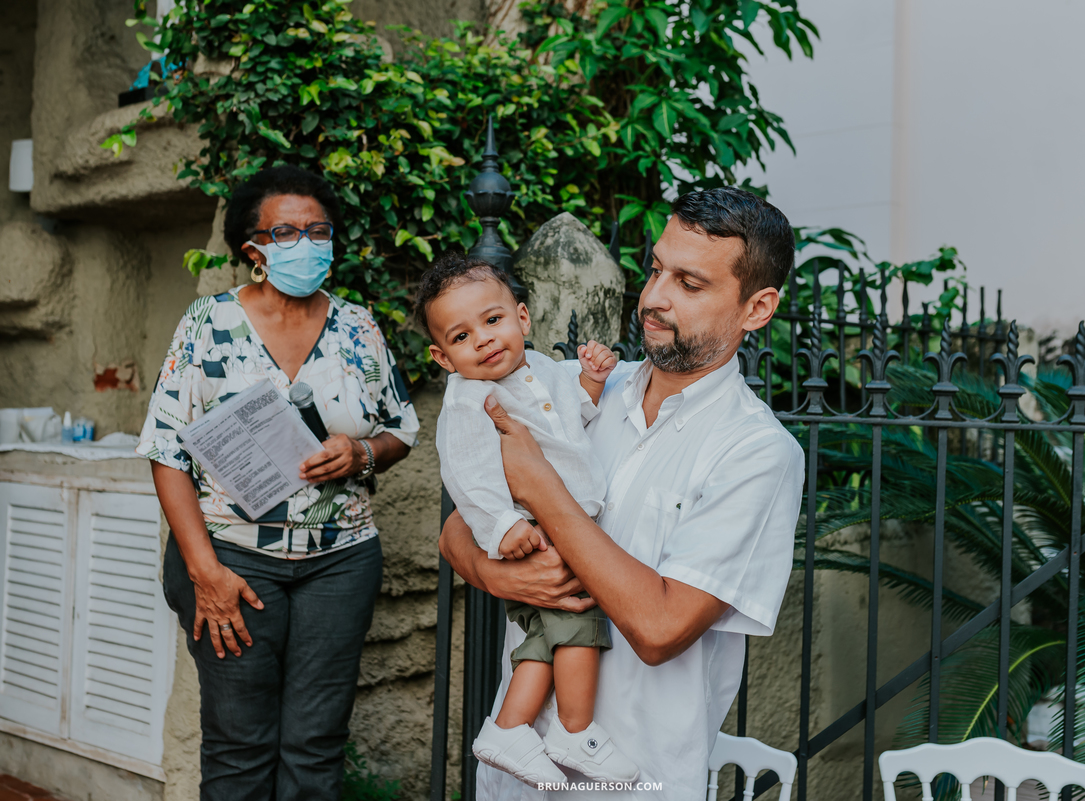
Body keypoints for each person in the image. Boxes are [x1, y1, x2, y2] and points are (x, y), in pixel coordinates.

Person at [439, 187, 805, 799]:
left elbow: (661, 628)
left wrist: (541, 489)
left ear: (757, 307)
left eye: (689, 284)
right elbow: (460, 522)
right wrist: (493, 572)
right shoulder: (578, 393)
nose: (655, 298)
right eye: (657, 268)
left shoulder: (755, 452)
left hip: (634, 781)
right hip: (514, 778)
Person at [137, 164, 419, 801]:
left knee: (316, 750)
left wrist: (360, 453)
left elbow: (401, 428)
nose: (307, 243)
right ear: (253, 249)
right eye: (287, 231)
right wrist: (205, 572)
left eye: (318, 230)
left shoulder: (358, 328)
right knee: (239, 750)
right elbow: (165, 451)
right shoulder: (207, 323)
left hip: (340, 561)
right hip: (233, 564)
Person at [415, 253, 639, 788]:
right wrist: (502, 528)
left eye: (492, 321)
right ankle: (574, 729)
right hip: (534, 533)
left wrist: (589, 382)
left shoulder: (542, 368)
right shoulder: (471, 399)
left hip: (564, 526)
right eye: (462, 336)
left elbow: (571, 425)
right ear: (443, 357)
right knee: (580, 624)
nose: (485, 339)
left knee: (544, 636)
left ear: (522, 317)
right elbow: (465, 472)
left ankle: (509, 727)